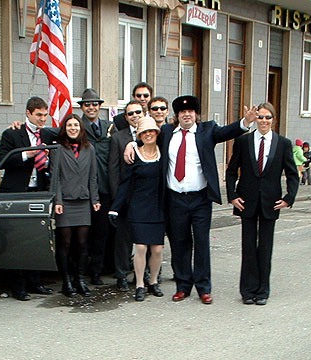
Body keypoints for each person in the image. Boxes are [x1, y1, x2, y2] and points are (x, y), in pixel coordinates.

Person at [126, 95, 257, 304]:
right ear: (177, 116)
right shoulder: (167, 132)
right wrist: (132, 144)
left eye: (190, 112)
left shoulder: (208, 130)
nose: (187, 115)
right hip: (175, 199)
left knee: (202, 243)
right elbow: (147, 138)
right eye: (182, 112)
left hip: (200, 198)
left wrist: (246, 121)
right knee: (180, 243)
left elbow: (227, 132)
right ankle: (183, 286)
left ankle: (204, 288)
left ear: (196, 114)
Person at [225, 102, 299, 305]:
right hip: (246, 201)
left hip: (271, 202)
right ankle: (248, 291)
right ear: (255, 118)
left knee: (265, 248)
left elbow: (292, 174)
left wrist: (289, 198)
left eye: (268, 117)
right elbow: (231, 171)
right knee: (248, 247)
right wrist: (232, 195)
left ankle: (262, 291)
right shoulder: (243, 141)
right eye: (260, 117)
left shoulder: (283, 143)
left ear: (273, 120)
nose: (264, 121)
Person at [0, 96, 58, 300]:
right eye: (38, 115)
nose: (42, 119)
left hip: (37, 191)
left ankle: (35, 282)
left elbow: (69, 132)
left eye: (45, 115)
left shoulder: (46, 134)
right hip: (17, 192)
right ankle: (19, 286)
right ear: (28, 113)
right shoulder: (12, 133)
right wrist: (27, 154)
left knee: (37, 238)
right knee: (17, 240)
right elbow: (1, 161)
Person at [109, 117, 165, 301]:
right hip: (138, 207)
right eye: (144, 132)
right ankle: (140, 284)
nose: (148, 134)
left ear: (156, 133)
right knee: (140, 247)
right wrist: (115, 208)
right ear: (140, 135)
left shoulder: (163, 152)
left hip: (158, 207)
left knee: (157, 249)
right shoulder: (134, 156)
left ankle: (153, 282)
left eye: (151, 131)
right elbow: (125, 184)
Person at [50, 114, 101, 297]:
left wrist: (95, 199)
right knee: (65, 243)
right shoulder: (58, 148)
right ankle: (67, 282)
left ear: (81, 128)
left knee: (82, 243)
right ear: (65, 128)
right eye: (69, 125)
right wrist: (58, 200)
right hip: (65, 202)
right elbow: (55, 177)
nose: (73, 128)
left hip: (83, 201)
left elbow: (93, 176)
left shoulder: (89, 148)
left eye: (76, 125)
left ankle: (80, 279)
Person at [77, 88, 114, 285]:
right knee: (83, 235)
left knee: (102, 233)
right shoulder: (76, 126)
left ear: (99, 106)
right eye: (87, 104)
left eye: (94, 104)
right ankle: (79, 273)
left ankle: (97, 272)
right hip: (83, 190)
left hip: (105, 189)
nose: (91, 107)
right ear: (82, 107)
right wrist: (21, 126)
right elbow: (50, 133)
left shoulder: (109, 126)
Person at [108, 100, 145, 291]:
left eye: (138, 112)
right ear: (126, 117)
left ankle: (144, 275)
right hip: (125, 196)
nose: (135, 116)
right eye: (131, 113)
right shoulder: (117, 138)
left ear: (143, 113)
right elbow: (113, 170)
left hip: (145, 196)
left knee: (144, 238)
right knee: (123, 240)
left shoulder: (151, 134)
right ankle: (121, 275)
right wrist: (117, 199)